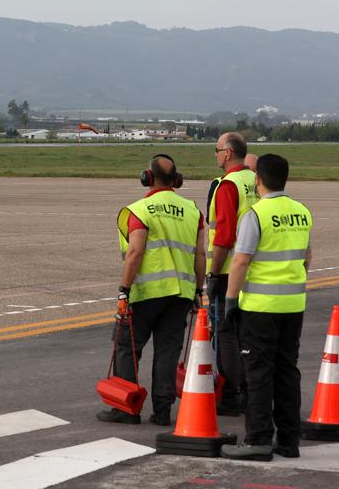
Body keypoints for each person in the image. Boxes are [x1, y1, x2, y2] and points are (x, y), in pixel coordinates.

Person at [98, 154, 206, 426]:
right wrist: (197, 290)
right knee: (167, 352)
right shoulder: (193, 211)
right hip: (180, 295)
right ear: (176, 180)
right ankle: (162, 411)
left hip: (146, 293)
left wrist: (124, 290)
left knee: (127, 346)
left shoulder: (140, 210)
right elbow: (200, 255)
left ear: (147, 177)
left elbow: (135, 252)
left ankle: (126, 409)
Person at [220, 154, 313, 462]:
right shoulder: (301, 211)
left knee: (258, 372)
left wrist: (231, 301)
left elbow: (241, 260)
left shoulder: (255, 214)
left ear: (258, 179)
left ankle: (258, 439)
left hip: (260, 308)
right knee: (287, 370)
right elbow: (306, 257)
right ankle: (289, 439)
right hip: (293, 304)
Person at [205, 132, 259, 416]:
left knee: (226, 333)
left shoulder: (228, 185)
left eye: (216, 150)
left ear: (227, 153)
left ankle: (230, 393)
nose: (215, 155)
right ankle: (251, 391)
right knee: (248, 334)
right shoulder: (255, 180)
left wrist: (213, 275)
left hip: (229, 270)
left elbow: (224, 236)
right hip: (255, 269)